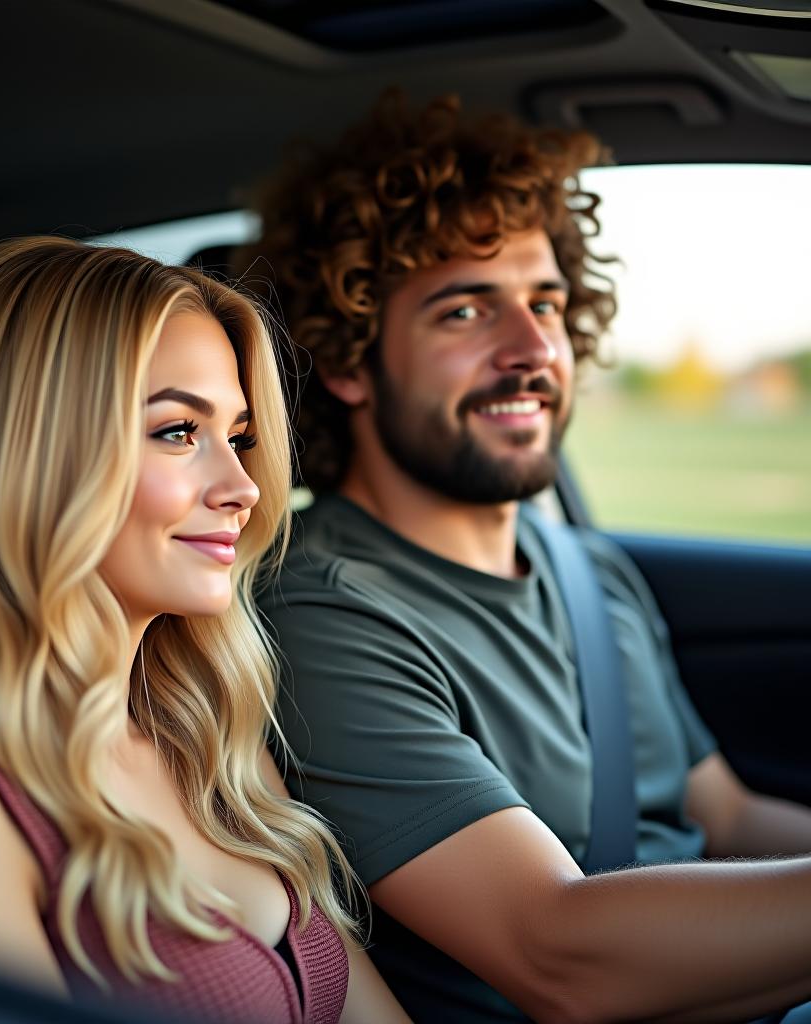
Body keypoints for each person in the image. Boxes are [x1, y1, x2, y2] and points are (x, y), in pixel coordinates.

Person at [244, 92, 811, 1023]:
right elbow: (556, 954)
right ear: (348, 358)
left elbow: (730, 818)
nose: (533, 348)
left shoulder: (591, 574)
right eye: (466, 311)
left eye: (545, 302)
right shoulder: (321, 616)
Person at [0, 237, 411, 1024]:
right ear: (29, 456)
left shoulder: (209, 742)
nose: (244, 488)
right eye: (178, 432)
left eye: (239, 436)